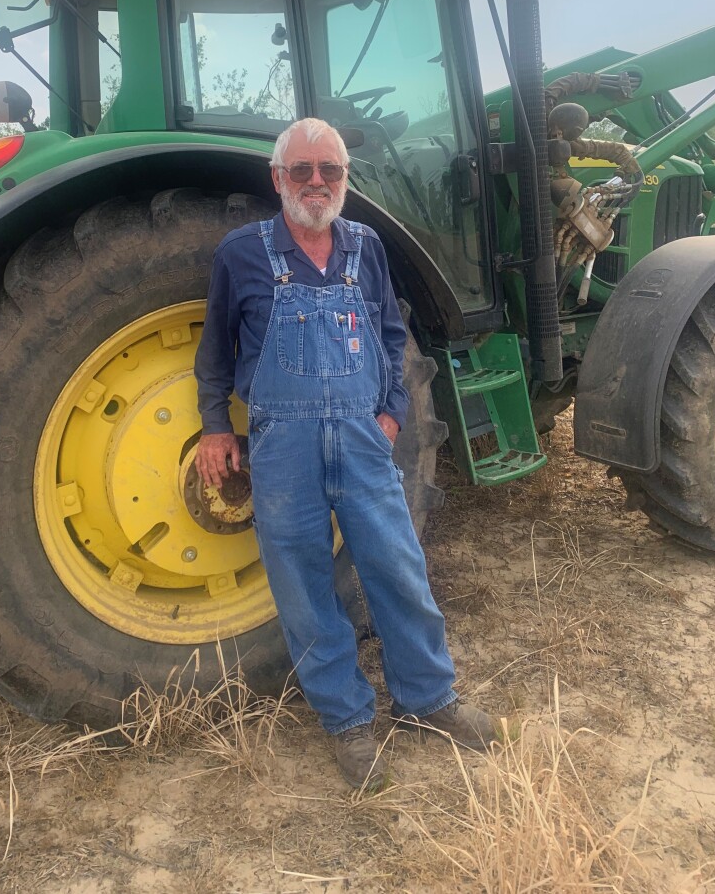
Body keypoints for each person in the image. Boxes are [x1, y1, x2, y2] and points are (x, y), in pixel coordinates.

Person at [194, 117, 497, 789]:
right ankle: (347, 721)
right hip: (284, 446)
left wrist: (391, 412)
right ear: (278, 179)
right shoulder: (241, 254)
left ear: (344, 179)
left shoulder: (366, 245)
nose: (316, 182)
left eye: (329, 170)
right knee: (303, 587)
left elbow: (391, 334)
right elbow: (215, 353)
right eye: (301, 170)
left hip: (363, 439)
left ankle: (429, 698)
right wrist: (216, 426)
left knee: (396, 564)